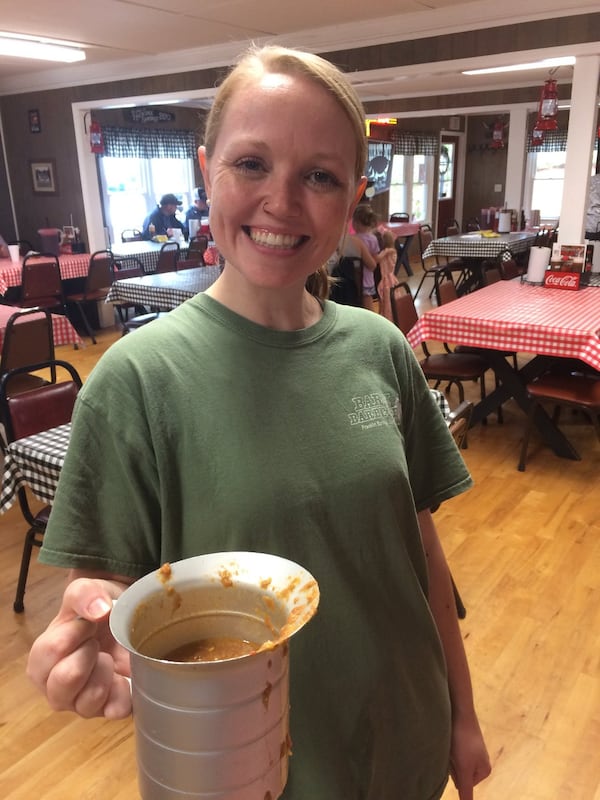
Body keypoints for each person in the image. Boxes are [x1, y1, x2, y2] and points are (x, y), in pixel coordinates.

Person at [27, 44, 491, 800]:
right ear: (206, 169)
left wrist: (462, 717)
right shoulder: (137, 381)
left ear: (350, 200)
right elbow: (104, 591)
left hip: (406, 740)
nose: (282, 200)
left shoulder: (381, 350)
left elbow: (422, 560)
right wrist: (86, 644)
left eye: (319, 176)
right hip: (247, 772)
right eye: (251, 164)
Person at [349, 203, 395, 311]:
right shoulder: (372, 239)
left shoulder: (352, 239)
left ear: (355, 223)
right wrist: (384, 253)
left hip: (354, 277)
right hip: (367, 277)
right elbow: (374, 261)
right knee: (368, 304)